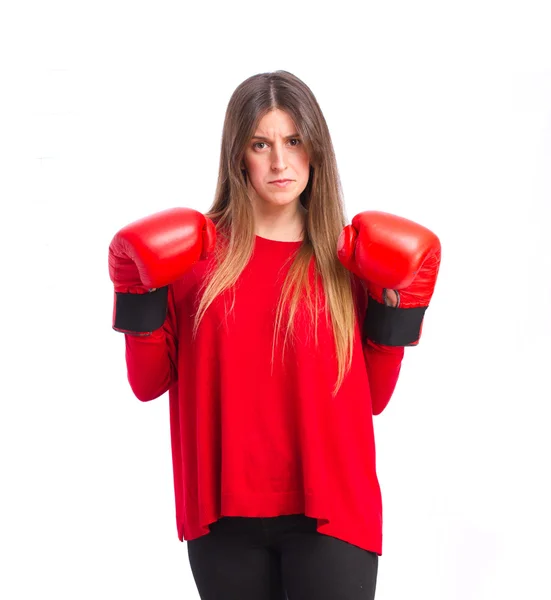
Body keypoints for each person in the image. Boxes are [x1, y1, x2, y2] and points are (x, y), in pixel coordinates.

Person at [108, 70, 441, 600]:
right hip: (223, 519)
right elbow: (148, 384)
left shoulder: (353, 259)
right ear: (239, 154)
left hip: (332, 515)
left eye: (294, 141)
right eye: (261, 144)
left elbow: (372, 399)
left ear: (316, 150)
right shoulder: (192, 258)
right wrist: (136, 292)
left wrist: (397, 305)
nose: (280, 162)